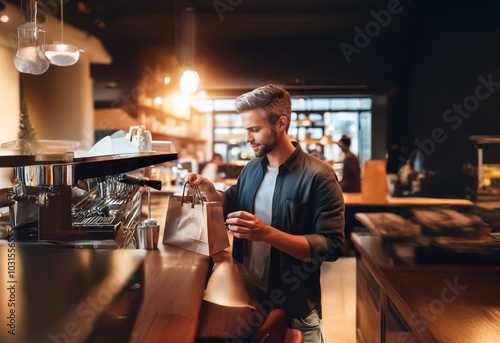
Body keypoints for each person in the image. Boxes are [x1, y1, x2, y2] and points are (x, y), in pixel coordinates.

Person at [187, 84, 345, 343]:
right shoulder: (252, 168)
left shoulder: (319, 176)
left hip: (295, 306)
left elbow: (331, 247)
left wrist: (266, 233)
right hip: (248, 296)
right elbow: (230, 203)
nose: (248, 137)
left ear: (281, 123)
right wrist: (211, 192)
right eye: (246, 129)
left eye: (254, 129)